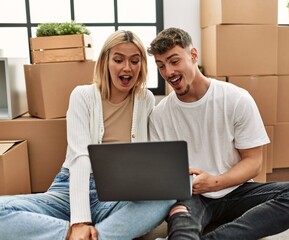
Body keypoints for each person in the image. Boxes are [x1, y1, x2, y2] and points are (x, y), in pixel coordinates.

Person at [0, 30, 174, 240]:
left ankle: (92, 236)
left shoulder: (145, 99)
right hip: (70, 188)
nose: (127, 68)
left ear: (142, 66)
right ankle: (75, 234)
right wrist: (79, 221)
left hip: (120, 193)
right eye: (118, 60)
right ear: (105, 62)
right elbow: (81, 157)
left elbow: (147, 154)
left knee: (167, 197)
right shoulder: (82, 95)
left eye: (135, 61)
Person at [147, 27, 289, 240]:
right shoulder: (159, 115)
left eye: (174, 61)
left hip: (238, 191)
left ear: (193, 55)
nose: (168, 72)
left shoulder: (236, 98)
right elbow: (163, 172)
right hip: (192, 197)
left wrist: (216, 182)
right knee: (181, 225)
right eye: (161, 66)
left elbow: (254, 162)